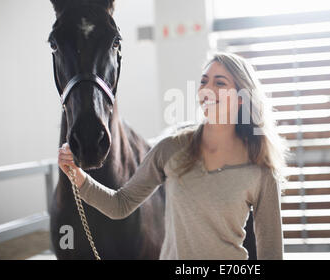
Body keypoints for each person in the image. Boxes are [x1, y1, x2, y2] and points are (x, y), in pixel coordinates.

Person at [58, 52, 288, 260]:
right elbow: (121, 204)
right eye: (204, 81)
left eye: (220, 83)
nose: (208, 89)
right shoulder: (171, 148)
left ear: (241, 97)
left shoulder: (260, 167)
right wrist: (79, 177)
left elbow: (271, 251)